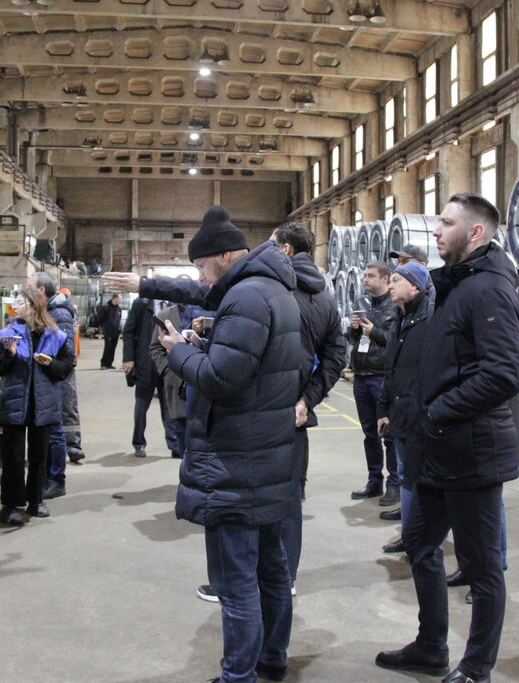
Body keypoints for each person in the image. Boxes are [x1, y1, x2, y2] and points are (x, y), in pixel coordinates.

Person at [375, 194, 519, 683]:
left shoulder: (489, 289)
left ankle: (476, 669)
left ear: (476, 232)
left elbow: (503, 375)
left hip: (472, 453)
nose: (436, 231)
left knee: (482, 569)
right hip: (438, 448)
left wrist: (437, 412)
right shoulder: (454, 284)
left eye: (446, 222)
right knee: (419, 545)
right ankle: (431, 646)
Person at [153, 205, 300, 683]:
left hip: (237, 461)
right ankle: (271, 659)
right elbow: (249, 368)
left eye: (200, 265)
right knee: (272, 571)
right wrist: (204, 346)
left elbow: (221, 378)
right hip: (267, 454)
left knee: (236, 582)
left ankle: (238, 675)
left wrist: (179, 352)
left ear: (222, 256)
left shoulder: (247, 297)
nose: (200, 276)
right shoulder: (273, 289)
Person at [271, 221, 347, 593]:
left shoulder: (271, 289)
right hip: (296, 416)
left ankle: (247, 580)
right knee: (289, 499)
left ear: (285, 250)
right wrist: (307, 399)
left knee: (253, 498)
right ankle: (286, 578)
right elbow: (336, 357)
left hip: (262, 413)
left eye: (271, 245)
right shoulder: (326, 300)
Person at [0, 288, 74, 525]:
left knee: (39, 456)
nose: (15, 307)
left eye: (20, 303)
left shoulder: (55, 335)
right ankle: (10, 506)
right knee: (13, 457)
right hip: (15, 404)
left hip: (43, 405)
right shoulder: (8, 334)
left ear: (33, 306)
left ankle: (36, 500)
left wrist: (49, 363)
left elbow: (66, 367)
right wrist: (9, 354)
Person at [375, 261, 434, 555]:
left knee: (417, 480)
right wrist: (383, 409)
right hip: (399, 413)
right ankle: (410, 535)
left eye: (396, 280)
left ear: (415, 286)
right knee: (406, 475)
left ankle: (417, 540)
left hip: (418, 415)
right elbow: (392, 369)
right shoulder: (399, 318)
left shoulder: (430, 319)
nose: (390, 286)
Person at [346, 261, 399, 506]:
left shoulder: (395, 306)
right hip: (362, 377)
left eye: (370, 276)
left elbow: (396, 341)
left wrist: (373, 332)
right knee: (369, 434)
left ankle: (394, 485)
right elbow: (353, 340)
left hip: (381, 377)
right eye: (365, 275)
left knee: (389, 435)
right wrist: (354, 330)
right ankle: (374, 481)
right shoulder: (364, 304)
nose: (365, 280)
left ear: (385, 279)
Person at [28, 273, 85, 471]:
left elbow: (65, 348)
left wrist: (55, 365)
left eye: (29, 286)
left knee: (65, 407)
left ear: (41, 290)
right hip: (51, 366)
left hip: (59, 368)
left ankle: (73, 447)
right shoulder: (48, 308)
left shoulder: (59, 313)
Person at [148, 301, 205, 460]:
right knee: (182, 442)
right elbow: (155, 348)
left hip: (203, 386)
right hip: (178, 389)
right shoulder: (166, 316)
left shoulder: (208, 312)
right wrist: (168, 371)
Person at [122, 295, 172, 458]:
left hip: (168, 363)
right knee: (142, 405)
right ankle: (139, 443)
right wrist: (129, 358)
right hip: (145, 362)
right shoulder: (141, 304)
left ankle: (174, 444)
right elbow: (128, 332)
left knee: (169, 406)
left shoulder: (172, 304)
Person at [99, 293, 122, 369]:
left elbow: (119, 318)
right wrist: (104, 327)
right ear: (115, 298)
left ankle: (109, 363)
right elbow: (100, 318)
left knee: (113, 348)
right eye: (119, 298)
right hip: (108, 331)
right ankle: (104, 364)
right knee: (107, 347)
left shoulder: (119, 309)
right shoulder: (106, 307)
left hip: (116, 331)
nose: (121, 300)